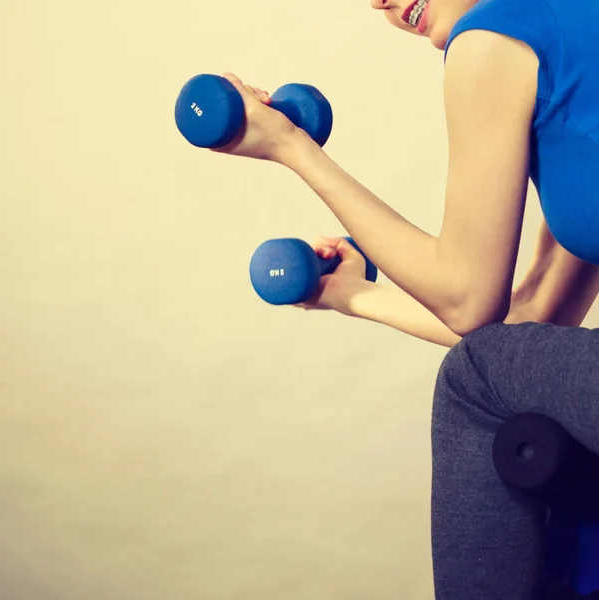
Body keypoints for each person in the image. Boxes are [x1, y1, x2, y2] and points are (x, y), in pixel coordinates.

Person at [210, 0, 599, 596]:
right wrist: (353, 295)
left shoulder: (491, 40)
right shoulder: (568, 39)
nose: (378, 1)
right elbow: (532, 321)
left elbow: (470, 303)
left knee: (472, 382)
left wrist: (289, 145)